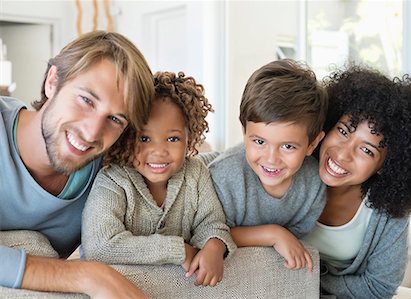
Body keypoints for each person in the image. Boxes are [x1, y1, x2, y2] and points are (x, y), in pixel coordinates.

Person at [0, 30, 155, 298]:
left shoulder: (110, 174)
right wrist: (90, 276)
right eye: (86, 100)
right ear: (52, 81)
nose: (92, 132)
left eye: (115, 119)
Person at [304, 65, 411, 299]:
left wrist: (309, 280)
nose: (342, 154)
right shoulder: (290, 172)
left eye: (366, 150)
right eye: (343, 131)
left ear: (385, 166)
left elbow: (379, 287)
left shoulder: (388, 212)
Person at [82, 71, 236, 287]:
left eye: (173, 138)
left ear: (189, 137)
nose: (159, 151)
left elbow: (211, 222)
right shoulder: (113, 180)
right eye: (144, 138)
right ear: (126, 136)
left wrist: (214, 246)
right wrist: (179, 250)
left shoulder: (195, 173)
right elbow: (99, 246)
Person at [206, 59, 328, 272]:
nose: (271, 158)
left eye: (288, 146)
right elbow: (209, 233)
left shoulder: (313, 183)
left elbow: (298, 235)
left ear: (312, 144)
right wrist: (273, 234)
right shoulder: (225, 176)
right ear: (244, 132)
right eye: (260, 142)